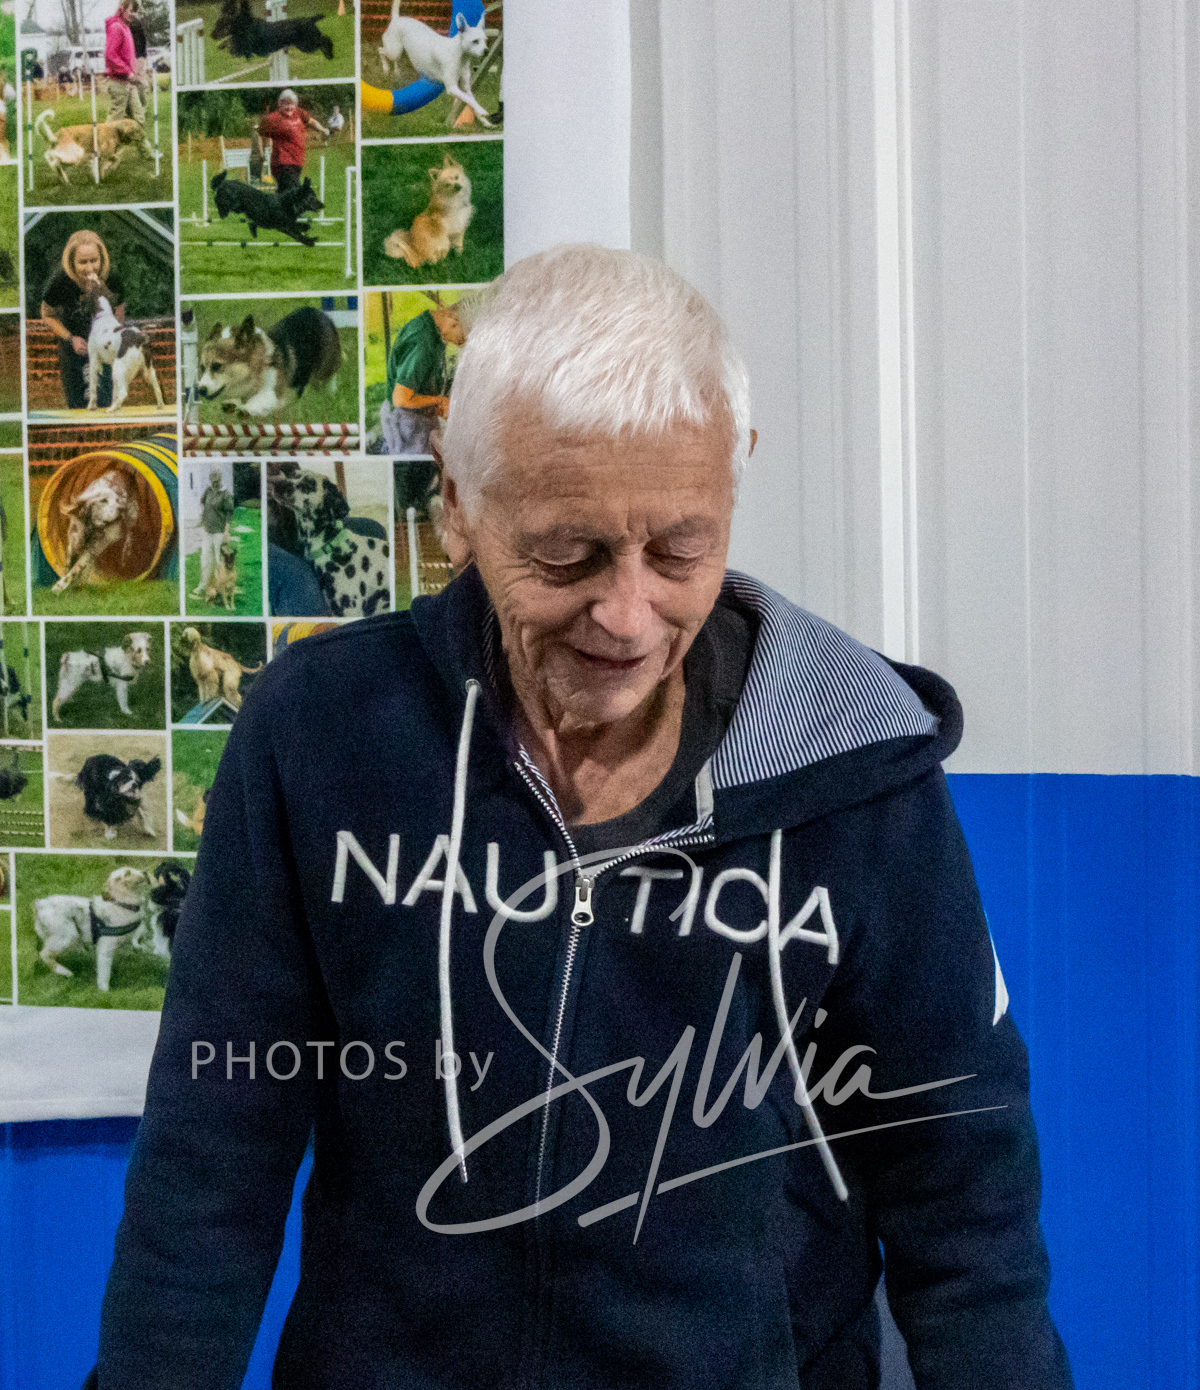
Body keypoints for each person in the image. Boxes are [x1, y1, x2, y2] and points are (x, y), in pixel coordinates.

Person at [91, 245, 1073, 1389]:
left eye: (680, 547)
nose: (628, 614)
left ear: (734, 479)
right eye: (567, 552)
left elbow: (963, 1180)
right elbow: (214, 1148)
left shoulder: (856, 766)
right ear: (456, 502)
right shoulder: (321, 733)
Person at [40, 230, 125, 410]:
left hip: (105, 349)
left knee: (106, 404)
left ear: (101, 258)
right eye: (83, 262)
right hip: (74, 351)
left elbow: (119, 310)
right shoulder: (60, 281)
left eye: (94, 260)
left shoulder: (112, 277)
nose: (89, 268)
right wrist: (71, 338)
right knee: (78, 407)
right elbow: (47, 315)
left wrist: (114, 338)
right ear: (72, 262)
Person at [378, 298, 466, 455]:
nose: (463, 342)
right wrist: (439, 400)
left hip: (419, 418)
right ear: (454, 322)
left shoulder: (435, 327)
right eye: (463, 337)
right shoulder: (423, 342)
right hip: (407, 424)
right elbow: (401, 399)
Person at [257, 88, 327, 195]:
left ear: (295, 104)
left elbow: (312, 121)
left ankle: (276, 205)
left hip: (297, 161)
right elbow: (260, 133)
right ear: (279, 103)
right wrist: (262, 153)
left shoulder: (299, 113)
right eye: (285, 104)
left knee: (284, 194)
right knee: (293, 192)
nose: (289, 107)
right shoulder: (273, 118)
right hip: (282, 162)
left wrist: (323, 129)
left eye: (291, 104)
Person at [192, 468, 234, 598]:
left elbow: (229, 513)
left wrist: (226, 532)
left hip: (219, 533)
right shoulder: (208, 490)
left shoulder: (226, 494)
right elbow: (202, 501)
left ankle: (218, 588)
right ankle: (203, 586)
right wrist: (203, 513)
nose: (215, 483)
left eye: (217, 481)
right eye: (213, 481)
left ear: (221, 479)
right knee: (205, 560)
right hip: (207, 531)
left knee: (219, 561)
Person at [104, 0, 143, 126]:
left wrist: (133, 72)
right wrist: (126, 72)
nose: (133, 14)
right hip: (119, 81)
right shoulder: (116, 27)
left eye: (135, 12)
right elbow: (111, 55)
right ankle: (104, 139)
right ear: (122, 9)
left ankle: (139, 140)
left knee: (139, 117)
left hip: (128, 82)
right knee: (116, 120)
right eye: (131, 11)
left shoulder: (125, 27)